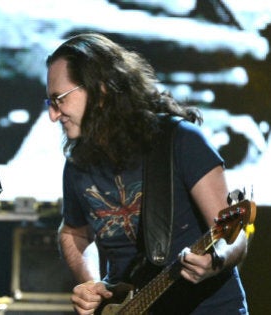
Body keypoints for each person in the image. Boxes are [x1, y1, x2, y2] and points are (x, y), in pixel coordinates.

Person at [46, 33, 249, 314]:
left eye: (60, 100)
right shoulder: (78, 164)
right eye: (50, 104)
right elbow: (73, 232)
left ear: (101, 90)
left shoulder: (180, 141)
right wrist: (90, 283)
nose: (53, 115)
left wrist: (216, 260)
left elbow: (233, 235)